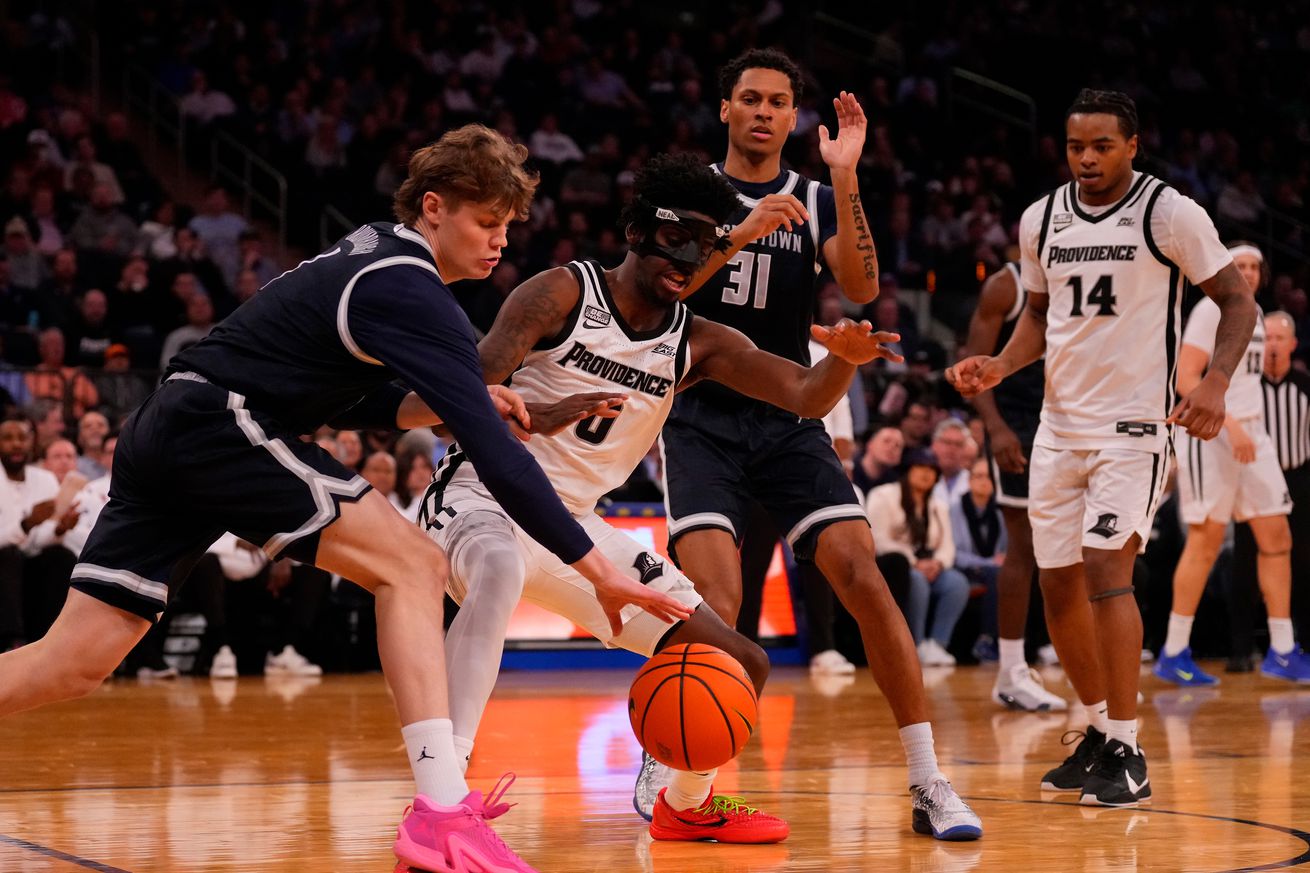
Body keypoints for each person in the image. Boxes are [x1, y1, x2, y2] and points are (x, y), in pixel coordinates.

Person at [0, 124, 690, 873]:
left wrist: (466, 398)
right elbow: (497, 459)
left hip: (173, 426)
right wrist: (599, 569)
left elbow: (362, 403)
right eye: (487, 221)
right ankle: (440, 809)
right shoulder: (411, 285)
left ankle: (440, 806)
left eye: (507, 225)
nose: (500, 241)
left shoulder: (376, 253)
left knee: (73, 661)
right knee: (414, 565)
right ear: (434, 207)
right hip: (217, 423)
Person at [427, 154, 900, 847]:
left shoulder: (698, 341)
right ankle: (444, 796)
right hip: (482, 494)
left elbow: (803, 396)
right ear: (639, 231)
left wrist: (843, 362)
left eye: (704, 247)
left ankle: (687, 801)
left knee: (741, 661)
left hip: (573, 525)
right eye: (678, 240)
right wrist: (538, 414)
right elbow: (454, 410)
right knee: (497, 570)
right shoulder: (561, 293)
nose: (688, 261)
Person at [659, 49, 981, 839]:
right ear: (726, 109)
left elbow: (862, 285)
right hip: (700, 419)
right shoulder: (690, 190)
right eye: (751, 99)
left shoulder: (812, 196)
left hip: (791, 417)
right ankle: (680, 774)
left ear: (794, 117)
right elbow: (666, 286)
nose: (764, 112)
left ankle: (928, 779)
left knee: (863, 574)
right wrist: (739, 230)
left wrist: (844, 176)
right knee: (718, 602)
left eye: (779, 102)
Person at [948, 89, 1257, 807]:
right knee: (1056, 582)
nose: (1086, 158)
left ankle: (1128, 745)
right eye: (1075, 146)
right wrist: (1000, 365)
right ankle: (1094, 728)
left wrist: (1214, 382)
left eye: (1102, 146)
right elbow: (1038, 314)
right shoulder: (1041, 218)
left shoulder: (1168, 212)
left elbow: (1237, 301)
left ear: (1132, 146)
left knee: (1105, 569)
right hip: (1058, 428)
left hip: (1133, 428)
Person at [1159, 242, 1310, 685]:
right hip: (1213, 434)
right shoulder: (1210, 309)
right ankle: (1174, 651)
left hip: (1252, 435)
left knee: (1277, 535)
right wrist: (1231, 425)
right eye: (1238, 264)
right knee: (1205, 542)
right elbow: (1186, 377)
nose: (1247, 271)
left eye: (1253, 266)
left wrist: (1246, 428)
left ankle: (1282, 650)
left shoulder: (1256, 313)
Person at [961, 262, 1066, 710]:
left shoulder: (1082, 271)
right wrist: (997, 429)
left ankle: (1080, 664)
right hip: (1017, 424)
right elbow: (973, 369)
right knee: (1023, 546)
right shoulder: (1006, 285)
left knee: (1075, 549)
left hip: (1068, 419)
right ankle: (1010, 671)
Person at [865, 450, 972, 665]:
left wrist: (938, 563)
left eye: (932, 470)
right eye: (921, 468)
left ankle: (938, 644)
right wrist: (914, 563)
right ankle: (917, 643)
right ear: (908, 470)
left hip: (930, 565)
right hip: (895, 567)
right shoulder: (883, 495)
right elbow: (877, 537)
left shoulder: (938, 505)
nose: (926, 474)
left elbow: (947, 545)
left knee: (957, 583)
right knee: (917, 580)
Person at [1247, 310, 1310, 650]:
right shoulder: (1248, 387)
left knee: (1302, 560)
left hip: (1298, 479)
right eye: (1267, 338)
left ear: (1293, 344)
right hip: (1252, 478)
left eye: (1279, 338)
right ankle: (1241, 647)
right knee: (1245, 561)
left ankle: (1301, 642)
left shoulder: (1305, 385)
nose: (1272, 345)